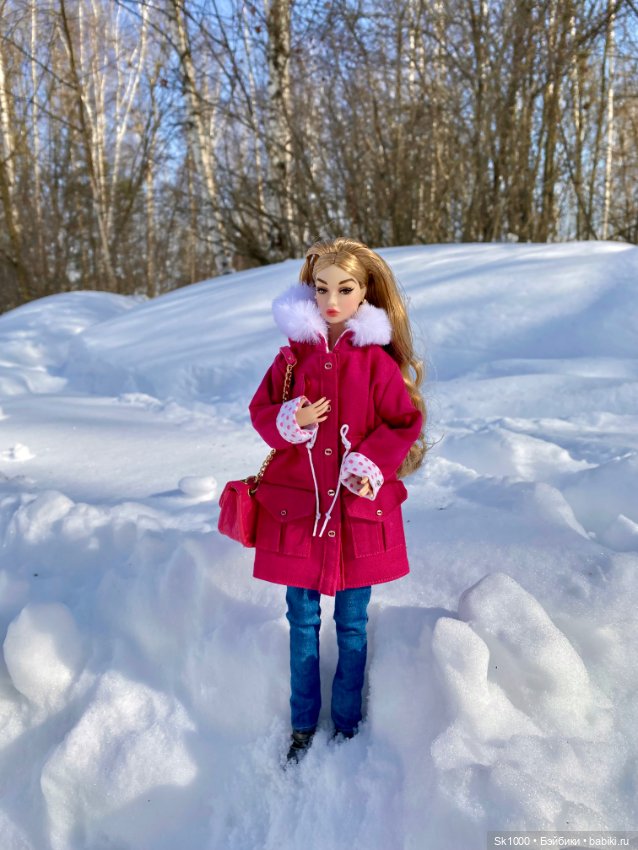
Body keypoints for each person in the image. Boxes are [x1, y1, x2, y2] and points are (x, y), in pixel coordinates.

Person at [248, 237, 427, 764]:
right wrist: (291, 420)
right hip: (299, 513)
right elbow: (262, 412)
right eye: (322, 288)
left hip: (355, 514)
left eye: (344, 289)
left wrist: (371, 460)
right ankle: (304, 723)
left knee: (352, 621)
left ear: (364, 291)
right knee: (301, 618)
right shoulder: (292, 355)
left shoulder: (375, 361)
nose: (331, 299)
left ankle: (346, 723)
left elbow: (404, 421)